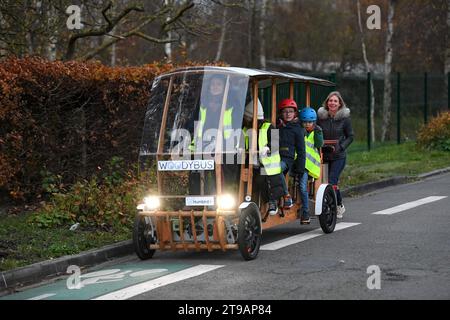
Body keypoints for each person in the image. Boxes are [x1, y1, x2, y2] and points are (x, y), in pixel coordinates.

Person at [242, 100, 285, 216]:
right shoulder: (245, 130)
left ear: (252, 118)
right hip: (252, 163)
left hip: (267, 163)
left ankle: (272, 201)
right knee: (246, 181)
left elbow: (276, 142)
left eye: (247, 117)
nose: (245, 119)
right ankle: (249, 205)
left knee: (265, 180)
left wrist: (268, 148)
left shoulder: (269, 127)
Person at [317, 91, 354, 219]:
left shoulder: (345, 119)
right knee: (323, 183)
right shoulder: (320, 117)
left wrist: (341, 146)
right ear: (327, 103)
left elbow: (350, 136)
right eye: (330, 100)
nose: (332, 103)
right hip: (324, 155)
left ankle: (338, 205)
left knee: (332, 181)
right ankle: (331, 205)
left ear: (339, 104)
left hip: (339, 156)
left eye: (335, 101)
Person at [276, 98, 306, 213]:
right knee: (264, 172)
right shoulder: (277, 127)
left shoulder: (298, 129)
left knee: (276, 169)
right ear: (281, 113)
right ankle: (272, 201)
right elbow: (272, 144)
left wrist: (300, 169)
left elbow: (301, 151)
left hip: (288, 160)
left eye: (290, 111)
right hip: (275, 158)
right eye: (285, 111)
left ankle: (287, 196)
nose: (288, 114)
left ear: (295, 113)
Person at [298, 107, 323, 224]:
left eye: (310, 122)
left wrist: (318, 132)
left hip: (309, 166)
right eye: (304, 122)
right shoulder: (299, 131)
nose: (307, 124)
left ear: (314, 122)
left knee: (303, 187)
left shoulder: (316, 131)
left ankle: (306, 212)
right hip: (297, 163)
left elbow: (319, 144)